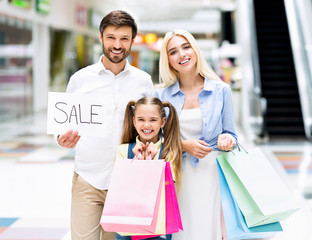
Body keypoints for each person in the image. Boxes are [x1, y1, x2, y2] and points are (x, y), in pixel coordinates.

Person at [56, 10, 154, 240]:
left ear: (132, 40)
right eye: (111, 37)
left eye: (124, 39)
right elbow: (64, 124)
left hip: (126, 182)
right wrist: (62, 139)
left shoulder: (143, 81)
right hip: (88, 178)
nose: (117, 45)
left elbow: (151, 126)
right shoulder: (80, 80)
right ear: (101, 38)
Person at [153, 29, 237, 240]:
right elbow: (153, 142)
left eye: (186, 47)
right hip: (177, 176)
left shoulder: (220, 90)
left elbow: (231, 134)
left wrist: (227, 140)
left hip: (213, 174)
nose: (181, 54)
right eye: (173, 51)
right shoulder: (160, 95)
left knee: (209, 230)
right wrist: (183, 146)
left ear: (195, 50)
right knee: (183, 231)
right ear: (168, 60)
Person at [115, 96, 183, 240]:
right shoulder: (123, 150)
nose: (147, 125)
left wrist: (151, 163)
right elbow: (120, 187)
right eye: (141, 119)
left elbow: (168, 189)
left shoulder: (170, 152)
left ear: (162, 122)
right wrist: (136, 161)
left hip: (158, 226)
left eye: (153, 120)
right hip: (127, 225)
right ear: (134, 121)